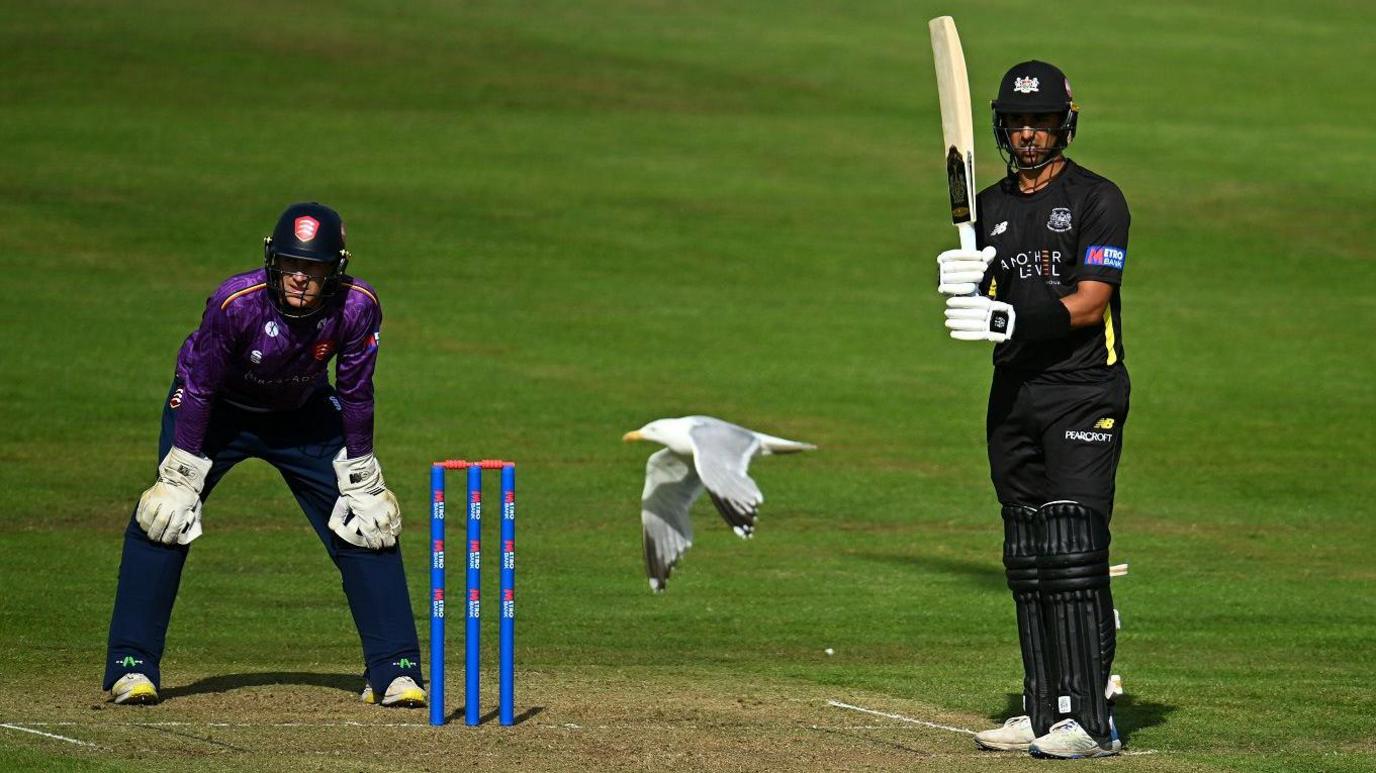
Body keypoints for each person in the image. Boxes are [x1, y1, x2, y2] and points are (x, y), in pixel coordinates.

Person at [103, 202, 426, 709]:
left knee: (367, 522)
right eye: (292, 266)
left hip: (302, 410)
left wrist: (362, 471)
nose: (300, 279)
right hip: (217, 412)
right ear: (273, 262)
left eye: (313, 268)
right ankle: (132, 666)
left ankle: (395, 670)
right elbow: (201, 384)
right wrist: (182, 469)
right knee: (163, 518)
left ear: (334, 270)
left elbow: (358, 391)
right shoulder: (239, 302)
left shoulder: (358, 305)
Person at [936, 61, 1131, 759]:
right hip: (1014, 396)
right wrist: (961, 282)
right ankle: (1043, 705)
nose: (1029, 133)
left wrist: (1007, 317)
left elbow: (1090, 301)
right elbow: (984, 297)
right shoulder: (986, 207)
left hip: (1084, 390)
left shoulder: (1099, 199)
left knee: (1073, 547)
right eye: (1019, 121)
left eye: (1042, 121)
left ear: (1064, 123)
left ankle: (1093, 719)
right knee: (1027, 551)